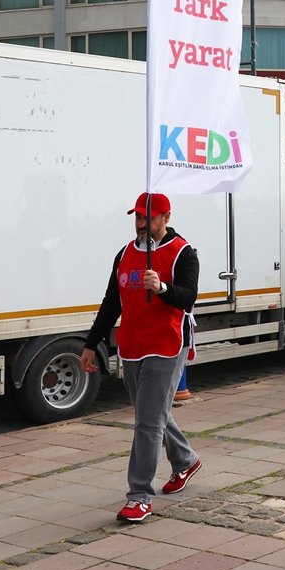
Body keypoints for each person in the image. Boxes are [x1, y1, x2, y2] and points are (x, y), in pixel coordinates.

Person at [81, 193, 200, 524]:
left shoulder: (183, 253)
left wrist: (162, 288)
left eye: (149, 217)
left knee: (147, 422)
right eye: (138, 216)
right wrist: (92, 344)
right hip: (132, 346)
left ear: (166, 217)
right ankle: (186, 460)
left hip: (166, 345)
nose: (141, 222)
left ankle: (139, 497)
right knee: (152, 414)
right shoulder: (125, 254)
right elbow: (111, 302)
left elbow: (188, 297)